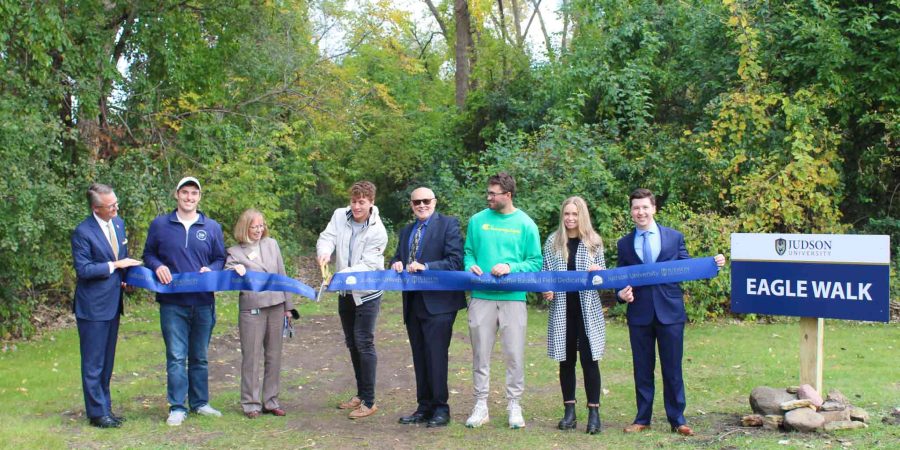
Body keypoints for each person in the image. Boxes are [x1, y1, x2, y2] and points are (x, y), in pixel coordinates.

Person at [616, 188, 725, 436]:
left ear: (654, 208)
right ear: (631, 212)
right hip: (639, 314)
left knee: (672, 368)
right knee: (642, 368)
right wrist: (621, 294)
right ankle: (642, 418)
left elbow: (688, 268)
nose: (640, 212)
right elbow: (620, 277)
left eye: (645, 207)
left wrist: (712, 264)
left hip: (670, 313)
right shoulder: (624, 243)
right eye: (636, 208)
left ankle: (678, 419)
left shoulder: (674, 238)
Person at [143, 176, 226, 426]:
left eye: (194, 193)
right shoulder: (160, 225)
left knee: (199, 356)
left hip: (203, 302)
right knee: (177, 356)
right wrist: (157, 266)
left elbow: (220, 258)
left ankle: (200, 403)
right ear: (176, 194)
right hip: (172, 303)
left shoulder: (211, 227)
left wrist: (211, 269)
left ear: (199, 197)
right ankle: (177, 406)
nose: (189, 198)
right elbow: (148, 254)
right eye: (185, 193)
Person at [463, 172, 542, 429]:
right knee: (480, 354)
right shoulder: (477, 221)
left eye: (493, 193)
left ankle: (514, 405)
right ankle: (480, 405)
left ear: (507, 195)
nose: (488, 197)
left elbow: (535, 262)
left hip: (513, 299)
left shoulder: (526, 224)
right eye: (488, 192)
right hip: (481, 298)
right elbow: (469, 253)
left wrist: (510, 266)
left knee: (514, 354)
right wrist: (471, 266)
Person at [390, 187, 465, 428]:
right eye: (416, 202)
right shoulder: (406, 231)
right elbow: (395, 258)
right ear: (411, 205)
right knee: (420, 357)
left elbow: (455, 261)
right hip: (413, 303)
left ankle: (441, 409)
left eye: (426, 201)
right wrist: (396, 263)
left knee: (436, 356)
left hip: (440, 303)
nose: (421, 205)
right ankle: (424, 407)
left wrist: (427, 267)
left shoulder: (448, 225)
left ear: (434, 201)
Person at [71, 183, 143, 428]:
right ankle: (96, 413)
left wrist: (126, 281)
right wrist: (116, 266)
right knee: (94, 362)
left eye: (115, 203)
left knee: (108, 360)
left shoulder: (118, 223)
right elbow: (84, 269)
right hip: (92, 307)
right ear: (96, 208)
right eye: (110, 206)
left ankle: (106, 407)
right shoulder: (83, 232)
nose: (116, 208)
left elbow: (120, 262)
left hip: (113, 304)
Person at [316, 181, 388, 419]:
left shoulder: (378, 231)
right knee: (351, 342)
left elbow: (368, 265)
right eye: (354, 201)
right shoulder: (339, 216)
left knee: (363, 341)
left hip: (367, 293)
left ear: (371, 202)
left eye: (362, 202)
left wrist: (339, 276)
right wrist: (324, 251)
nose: (356, 206)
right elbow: (327, 236)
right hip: (344, 292)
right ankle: (360, 393)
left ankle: (369, 401)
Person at [541, 196, 607, 434]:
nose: (570, 219)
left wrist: (597, 273)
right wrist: (546, 289)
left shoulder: (594, 243)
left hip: (587, 310)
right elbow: (545, 274)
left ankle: (594, 412)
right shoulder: (553, 242)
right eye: (566, 214)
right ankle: (569, 411)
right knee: (566, 361)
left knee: (590, 361)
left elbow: (603, 279)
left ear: (582, 216)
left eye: (574, 214)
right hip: (562, 310)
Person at [225, 209, 298, 419]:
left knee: (274, 356)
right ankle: (251, 403)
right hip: (252, 308)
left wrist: (288, 307)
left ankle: (271, 400)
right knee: (251, 356)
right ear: (244, 228)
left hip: (276, 305)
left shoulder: (271, 244)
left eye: (261, 226)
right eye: (254, 226)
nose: (258, 230)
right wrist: (235, 269)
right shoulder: (235, 251)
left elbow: (282, 274)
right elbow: (227, 273)